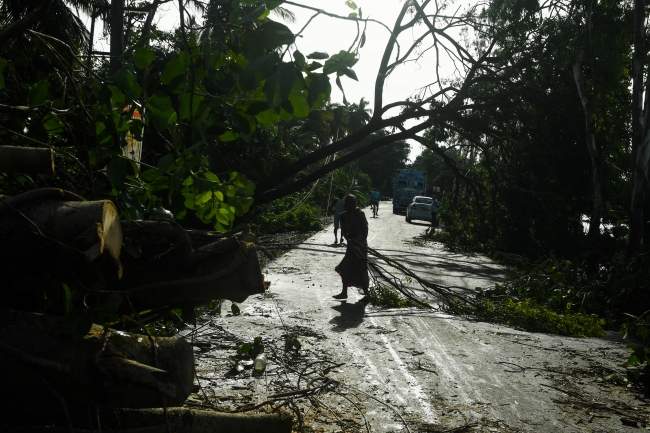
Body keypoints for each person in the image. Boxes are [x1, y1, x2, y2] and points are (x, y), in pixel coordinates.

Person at [333, 194, 370, 302]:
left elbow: (365, 229)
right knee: (345, 267)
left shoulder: (359, 214)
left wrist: (361, 242)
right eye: (347, 202)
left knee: (361, 268)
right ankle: (344, 292)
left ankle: (367, 294)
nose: (348, 204)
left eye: (351, 202)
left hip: (360, 245)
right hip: (351, 244)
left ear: (354, 204)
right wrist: (349, 240)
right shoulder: (343, 216)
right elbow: (344, 231)